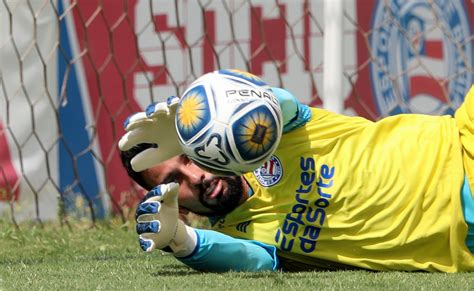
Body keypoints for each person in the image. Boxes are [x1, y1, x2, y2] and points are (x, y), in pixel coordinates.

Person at [119, 69, 474, 272]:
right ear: (176, 206)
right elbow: (257, 263)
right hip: (461, 238)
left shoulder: (271, 131)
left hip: (461, 141)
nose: (197, 176)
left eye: (191, 157)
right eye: (174, 181)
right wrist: (181, 241)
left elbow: (281, 104)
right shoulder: (239, 237)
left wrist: (218, 110)